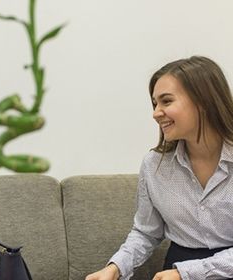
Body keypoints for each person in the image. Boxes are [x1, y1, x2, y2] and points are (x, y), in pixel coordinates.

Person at [86, 56, 233, 280]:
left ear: (203, 101)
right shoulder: (154, 165)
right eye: (155, 104)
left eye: (166, 101)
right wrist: (115, 268)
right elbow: (146, 232)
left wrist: (186, 274)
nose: (156, 113)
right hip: (175, 271)